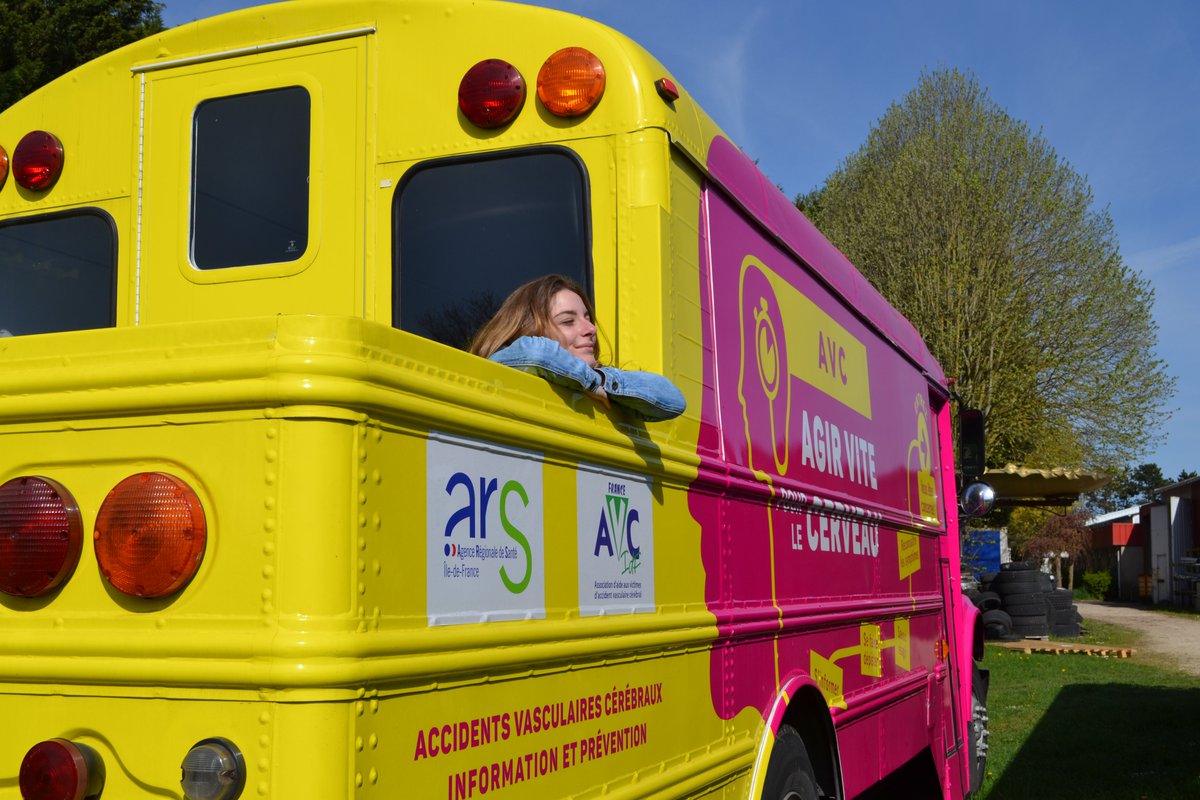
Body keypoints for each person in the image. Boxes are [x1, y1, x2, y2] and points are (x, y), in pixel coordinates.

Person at [469, 275, 685, 422]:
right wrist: (589, 381)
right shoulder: (504, 364)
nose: (591, 329)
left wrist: (600, 380)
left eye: (587, 318)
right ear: (530, 331)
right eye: (568, 321)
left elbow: (673, 399)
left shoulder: (597, 380)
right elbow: (536, 353)